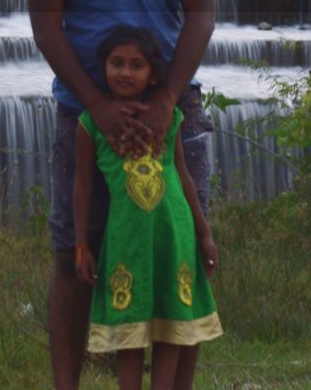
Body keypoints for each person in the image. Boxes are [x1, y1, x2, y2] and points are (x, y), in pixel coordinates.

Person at [24, 0, 218, 389]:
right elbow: (46, 25)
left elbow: (201, 16)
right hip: (82, 116)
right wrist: (100, 107)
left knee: (178, 251)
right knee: (71, 255)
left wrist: (163, 105)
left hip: (173, 110)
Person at [75, 26, 221, 390]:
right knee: (130, 331)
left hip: (174, 236)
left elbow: (184, 178)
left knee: (170, 325)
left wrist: (203, 234)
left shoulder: (169, 120)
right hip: (126, 242)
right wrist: (81, 245)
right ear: (103, 68)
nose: (125, 72)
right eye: (117, 63)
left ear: (153, 74)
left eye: (136, 65)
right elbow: (83, 187)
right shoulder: (91, 125)